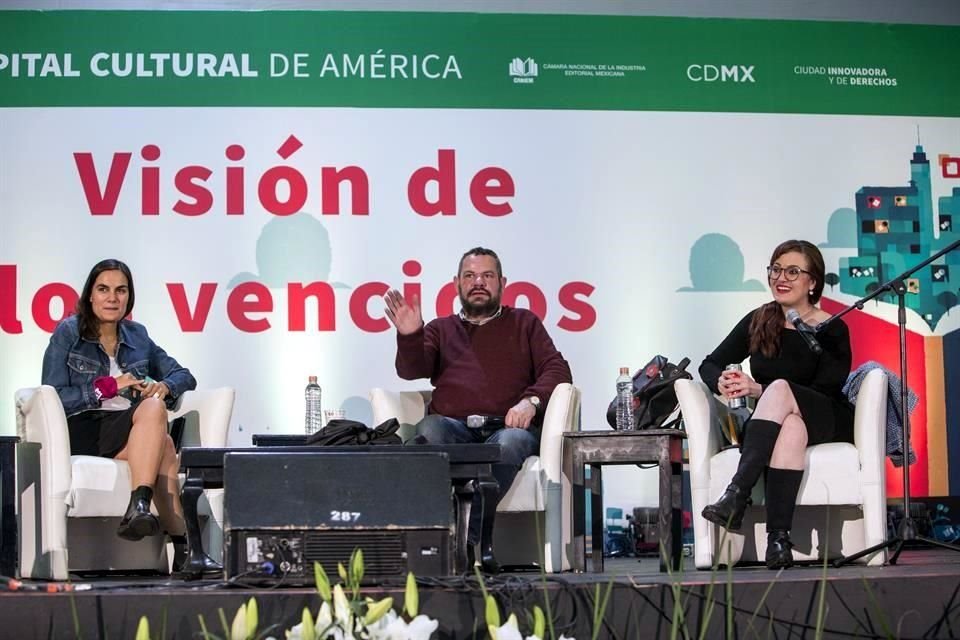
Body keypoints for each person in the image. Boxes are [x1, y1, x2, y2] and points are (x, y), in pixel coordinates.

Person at [383, 247, 573, 571]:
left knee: (511, 442)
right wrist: (411, 335)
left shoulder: (524, 323)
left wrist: (531, 401)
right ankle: (428, 539)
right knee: (429, 430)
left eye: (487, 276)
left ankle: (468, 542)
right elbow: (411, 368)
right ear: (457, 284)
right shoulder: (441, 329)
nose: (478, 283)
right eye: (470, 276)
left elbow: (557, 370)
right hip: (455, 429)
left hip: (506, 428)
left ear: (502, 283)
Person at [699, 240, 853, 570]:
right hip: (784, 422)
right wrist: (721, 382)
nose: (781, 278)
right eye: (776, 269)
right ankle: (778, 541)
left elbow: (827, 386)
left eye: (793, 271)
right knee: (791, 428)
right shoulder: (760, 320)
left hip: (827, 416)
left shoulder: (831, 328)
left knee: (783, 392)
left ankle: (737, 494)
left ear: (813, 282)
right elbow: (710, 363)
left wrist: (759, 389)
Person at [41, 259, 197, 551]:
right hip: (83, 429)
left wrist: (164, 386)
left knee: (161, 440)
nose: (112, 298)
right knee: (155, 419)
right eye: (103, 289)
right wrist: (111, 386)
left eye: (120, 290)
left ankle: (172, 540)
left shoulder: (137, 335)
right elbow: (54, 397)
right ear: (90, 295)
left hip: (125, 429)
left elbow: (184, 375)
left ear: (129, 296)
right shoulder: (69, 333)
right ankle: (180, 541)